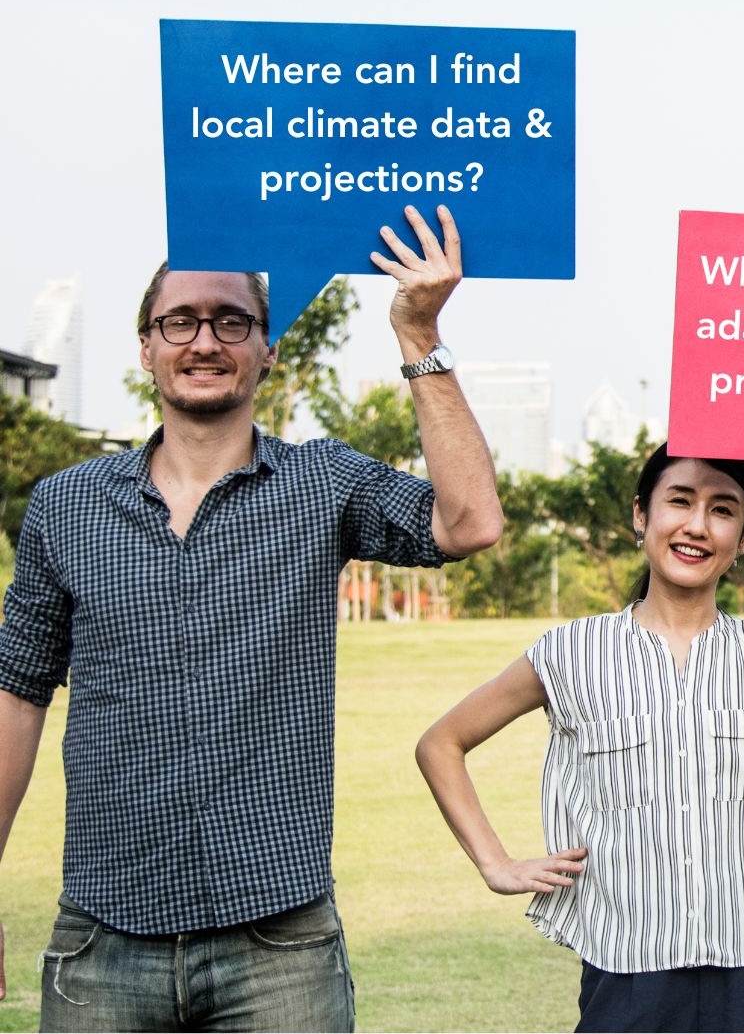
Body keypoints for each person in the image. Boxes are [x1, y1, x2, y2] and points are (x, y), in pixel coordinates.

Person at [0, 205, 502, 1030]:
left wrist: (419, 332)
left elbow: (470, 521)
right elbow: (17, 696)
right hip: (103, 934)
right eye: (181, 322)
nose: (205, 341)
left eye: (232, 321)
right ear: (147, 347)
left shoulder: (323, 482)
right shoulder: (66, 507)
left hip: (279, 944)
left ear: (268, 349)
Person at [414, 415, 744, 1034]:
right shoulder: (569, 654)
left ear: (743, 538)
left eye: (723, 510)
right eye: (680, 500)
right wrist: (495, 863)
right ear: (642, 516)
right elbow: (442, 743)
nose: (697, 525)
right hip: (628, 977)